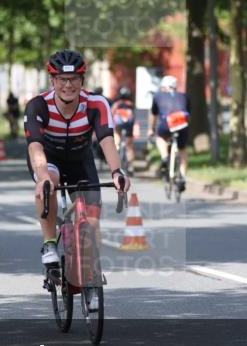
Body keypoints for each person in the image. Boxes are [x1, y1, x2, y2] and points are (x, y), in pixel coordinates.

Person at [26, 49, 132, 271]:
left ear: (82, 80)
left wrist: (117, 172)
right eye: (62, 79)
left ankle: (91, 275)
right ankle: (49, 244)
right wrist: (43, 176)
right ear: (53, 80)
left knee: (92, 221)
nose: (68, 85)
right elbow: (35, 146)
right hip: (49, 159)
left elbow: (106, 140)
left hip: (80, 160)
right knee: (48, 184)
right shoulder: (38, 105)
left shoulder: (96, 103)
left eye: (73, 79)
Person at [150, 75, 190, 189]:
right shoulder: (185, 96)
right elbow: (188, 112)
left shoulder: (158, 96)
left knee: (160, 137)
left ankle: (165, 156)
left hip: (167, 123)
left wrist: (152, 129)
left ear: (163, 87)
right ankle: (182, 177)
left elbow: (154, 115)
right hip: (182, 123)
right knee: (182, 150)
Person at [111, 86, 137, 174]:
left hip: (118, 125)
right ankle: (131, 167)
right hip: (129, 125)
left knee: (117, 140)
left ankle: (117, 150)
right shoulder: (131, 104)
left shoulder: (117, 104)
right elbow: (134, 116)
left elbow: (111, 114)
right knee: (129, 146)